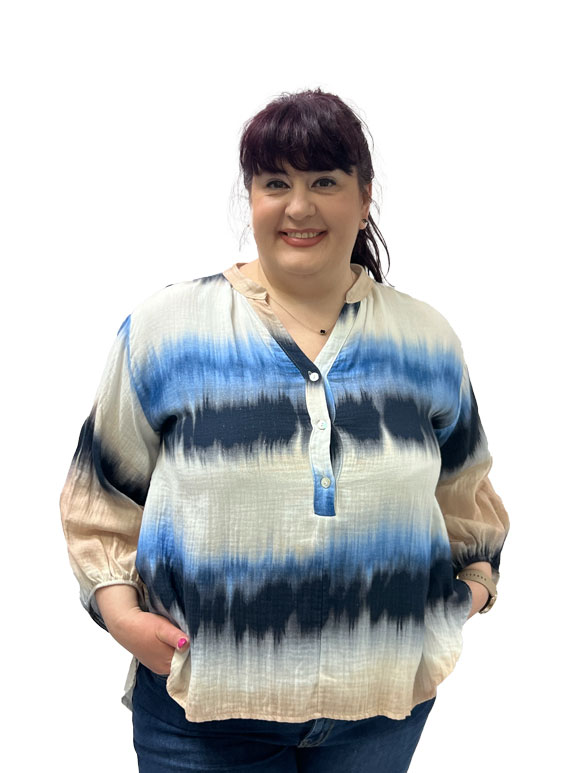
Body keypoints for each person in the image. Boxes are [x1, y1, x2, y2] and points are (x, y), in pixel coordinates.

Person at [60, 88, 510, 773]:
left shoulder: (425, 341)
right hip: (204, 714)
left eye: (324, 181)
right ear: (251, 197)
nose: (299, 207)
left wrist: (469, 589)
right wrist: (121, 614)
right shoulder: (167, 331)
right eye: (276, 183)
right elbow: (100, 493)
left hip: (381, 714)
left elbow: (465, 492)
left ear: (364, 196)